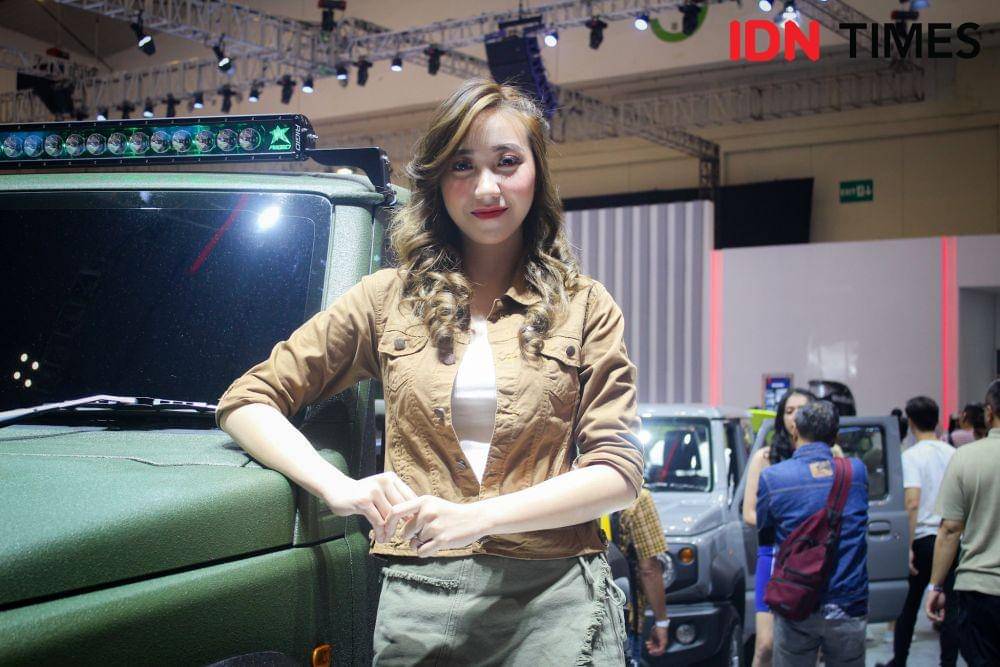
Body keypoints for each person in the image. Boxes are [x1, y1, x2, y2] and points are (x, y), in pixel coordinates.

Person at [215, 78, 645, 665]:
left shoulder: (585, 306)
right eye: (463, 166)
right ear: (439, 180)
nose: (486, 187)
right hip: (420, 602)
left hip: (555, 601)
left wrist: (478, 518)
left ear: (536, 175)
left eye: (507, 162)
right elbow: (247, 400)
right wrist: (340, 487)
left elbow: (618, 472)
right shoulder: (386, 300)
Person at [756, 401, 870, 667]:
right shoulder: (856, 472)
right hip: (847, 602)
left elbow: (765, 534)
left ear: (795, 430)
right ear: (835, 436)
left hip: (796, 601)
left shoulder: (773, 477)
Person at [877, 396, 959, 667]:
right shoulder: (952, 453)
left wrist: (907, 546)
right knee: (952, 608)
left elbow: (912, 502)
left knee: (908, 606)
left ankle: (899, 660)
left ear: (910, 422)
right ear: (936, 420)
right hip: (951, 537)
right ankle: (948, 663)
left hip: (923, 539)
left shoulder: (911, 456)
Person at [926, 379, 1000, 666]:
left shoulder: (966, 458)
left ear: (989, 412)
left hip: (980, 588)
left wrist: (936, 586)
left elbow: (950, 529)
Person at [742, 388, 817, 667]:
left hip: (812, 556)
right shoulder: (765, 457)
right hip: (773, 555)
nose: (794, 417)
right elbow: (749, 513)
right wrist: (790, 527)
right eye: (788, 411)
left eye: (801, 410)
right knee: (765, 645)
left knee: (809, 645)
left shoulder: (828, 455)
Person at [611, 488, 670, 664]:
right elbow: (649, 569)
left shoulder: (571, 492)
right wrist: (661, 622)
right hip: (623, 616)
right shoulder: (635, 498)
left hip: (579, 617)